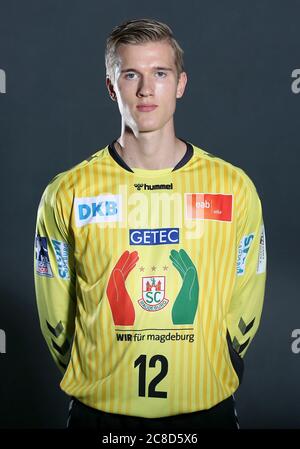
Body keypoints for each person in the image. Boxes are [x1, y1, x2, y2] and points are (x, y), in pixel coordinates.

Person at [34, 18, 267, 431]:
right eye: (130, 74)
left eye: (160, 73)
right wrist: (89, 364)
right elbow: (55, 305)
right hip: (101, 415)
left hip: (203, 411)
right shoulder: (68, 192)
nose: (146, 89)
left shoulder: (234, 187)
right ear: (111, 86)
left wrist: (225, 357)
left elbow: (248, 284)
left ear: (180, 84)